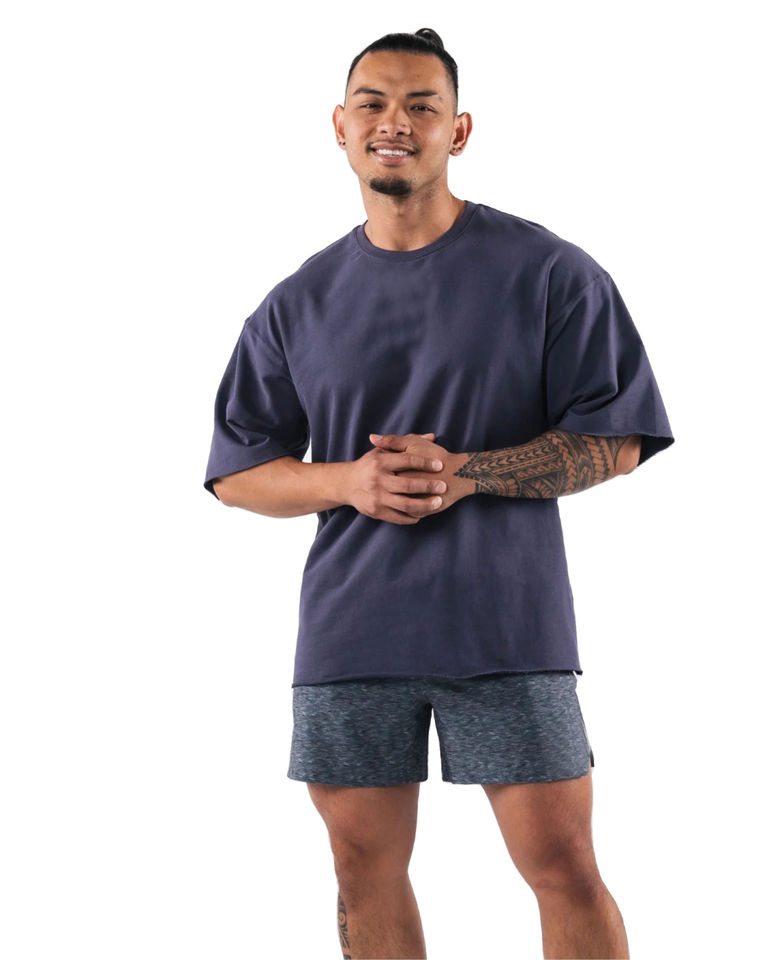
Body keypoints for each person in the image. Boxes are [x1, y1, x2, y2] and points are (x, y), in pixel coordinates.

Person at [203, 27, 674, 960]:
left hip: (507, 626)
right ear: (340, 126)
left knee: (563, 865)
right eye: (373, 103)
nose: (395, 122)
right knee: (360, 870)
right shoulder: (297, 301)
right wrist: (349, 480)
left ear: (457, 131)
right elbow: (236, 470)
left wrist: (469, 474)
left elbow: (620, 439)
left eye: (422, 105)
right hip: (352, 631)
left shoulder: (549, 273)